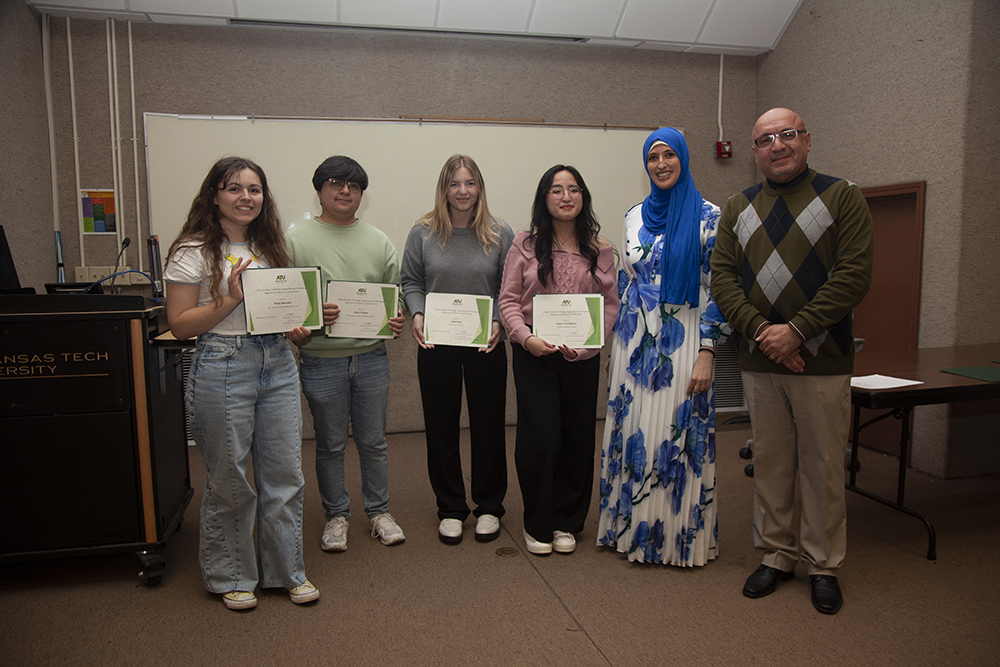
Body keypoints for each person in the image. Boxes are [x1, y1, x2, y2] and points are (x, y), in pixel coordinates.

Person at [711, 108, 874, 614]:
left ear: (807, 140)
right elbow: (722, 280)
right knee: (772, 463)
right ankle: (777, 554)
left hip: (822, 360)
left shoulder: (842, 195)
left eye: (787, 135)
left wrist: (797, 332)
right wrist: (763, 333)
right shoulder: (738, 206)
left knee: (824, 465)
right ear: (754, 150)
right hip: (760, 360)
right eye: (765, 139)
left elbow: (853, 275)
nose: (777, 145)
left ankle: (823, 564)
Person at [163, 156, 319, 610]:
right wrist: (231, 300)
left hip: (276, 362)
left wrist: (297, 326)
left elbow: (282, 311)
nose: (245, 197)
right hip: (221, 364)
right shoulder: (191, 251)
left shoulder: (270, 247)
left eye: (254, 190)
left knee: (285, 474)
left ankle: (286, 572)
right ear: (214, 195)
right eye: (234, 188)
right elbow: (179, 326)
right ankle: (231, 575)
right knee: (231, 478)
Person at [595, 128, 728, 567]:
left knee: (676, 435)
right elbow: (629, 279)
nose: (662, 164)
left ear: (684, 159)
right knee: (634, 433)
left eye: (670, 155)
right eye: (653, 157)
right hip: (634, 343)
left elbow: (720, 290)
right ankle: (628, 532)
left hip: (684, 342)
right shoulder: (634, 215)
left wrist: (708, 351)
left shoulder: (710, 217)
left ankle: (674, 540)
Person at [286, 155, 406, 552]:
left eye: (353, 186)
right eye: (336, 183)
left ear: (361, 195)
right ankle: (336, 516)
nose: (345, 191)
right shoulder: (295, 239)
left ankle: (379, 511)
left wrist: (397, 318)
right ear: (320, 189)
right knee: (330, 444)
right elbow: (285, 298)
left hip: (371, 358)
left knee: (374, 442)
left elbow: (396, 295)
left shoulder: (379, 240)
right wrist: (311, 315)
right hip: (320, 359)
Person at [499, 165, 619, 556]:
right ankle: (538, 523)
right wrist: (526, 338)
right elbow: (509, 302)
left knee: (577, 438)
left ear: (583, 196)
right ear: (544, 198)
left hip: (581, 358)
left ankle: (568, 520)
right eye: (556, 189)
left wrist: (587, 347)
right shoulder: (524, 244)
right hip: (535, 355)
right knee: (541, 438)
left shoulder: (600, 249)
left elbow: (610, 307)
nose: (566, 196)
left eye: (573, 189)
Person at [401, 155, 515, 545]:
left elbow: (510, 288)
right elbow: (411, 281)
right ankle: (450, 507)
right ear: (443, 189)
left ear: (479, 187)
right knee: (441, 427)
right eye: (454, 184)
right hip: (436, 342)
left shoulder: (501, 232)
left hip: (486, 343)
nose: (462, 191)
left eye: (469, 183)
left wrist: (499, 318)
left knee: (488, 426)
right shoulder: (423, 232)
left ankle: (488, 506)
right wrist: (416, 313)